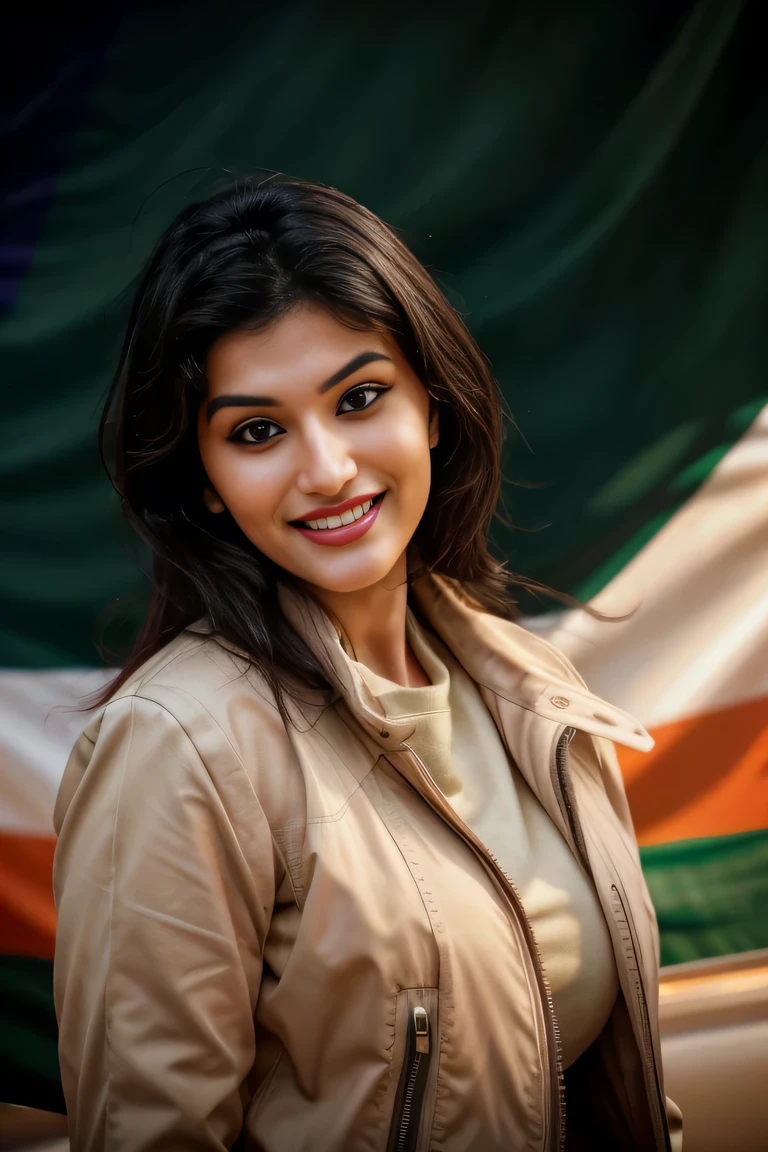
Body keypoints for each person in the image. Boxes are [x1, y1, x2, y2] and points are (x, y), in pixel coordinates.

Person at [52, 175, 683, 1152]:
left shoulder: (531, 688)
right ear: (207, 480)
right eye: (257, 431)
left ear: (432, 407)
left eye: (360, 398)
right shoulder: (177, 748)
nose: (328, 469)